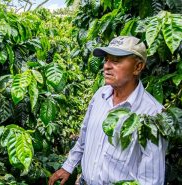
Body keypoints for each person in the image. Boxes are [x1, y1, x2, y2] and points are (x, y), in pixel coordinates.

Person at [48, 36, 167, 185]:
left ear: (138, 67)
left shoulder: (153, 113)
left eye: (116, 61)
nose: (106, 66)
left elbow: (151, 178)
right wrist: (68, 166)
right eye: (106, 60)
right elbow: (84, 137)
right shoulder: (100, 95)